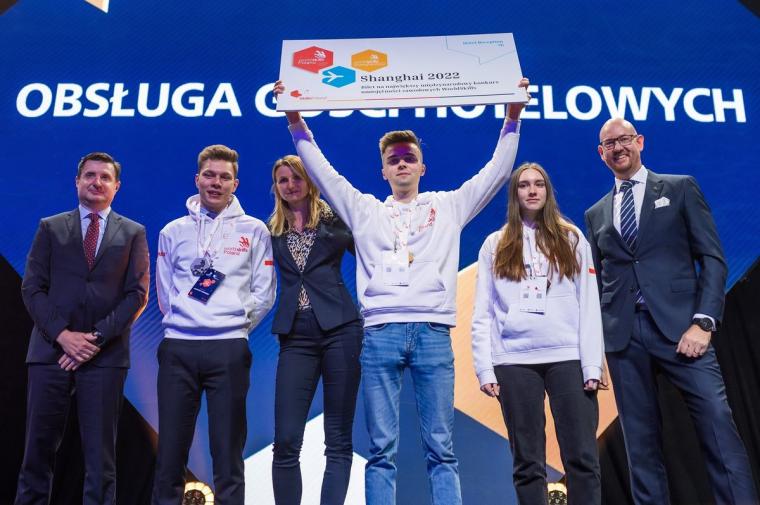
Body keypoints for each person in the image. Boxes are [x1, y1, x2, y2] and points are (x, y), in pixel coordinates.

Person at [274, 77, 529, 505]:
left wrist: (512, 118)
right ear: (384, 171)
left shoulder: (448, 206)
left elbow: (497, 172)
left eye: (410, 158)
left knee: (441, 449)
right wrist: (296, 120)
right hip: (380, 334)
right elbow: (321, 170)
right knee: (381, 451)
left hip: (433, 332)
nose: (402, 164)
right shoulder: (364, 210)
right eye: (394, 160)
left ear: (422, 167)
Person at [584, 118, 759, 505]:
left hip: (684, 330)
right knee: (640, 447)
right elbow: (598, 284)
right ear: (601, 153)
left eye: (625, 139)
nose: (618, 148)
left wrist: (704, 322)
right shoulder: (595, 214)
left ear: (640, 142)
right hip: (624, 340)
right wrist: (599, 346)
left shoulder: (680, 188)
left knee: (718, 426)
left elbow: (712, 259)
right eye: (609, 144)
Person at [16, 152, 150, 505]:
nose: (96, 182)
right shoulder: (50, 227)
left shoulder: (133, 232)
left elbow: (137, 295)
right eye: (90, 175)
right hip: (50, 354)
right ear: (77, 181)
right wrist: (63, 336)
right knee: (37, 453)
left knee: (100, 460)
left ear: (117, 186)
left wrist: (95, 340)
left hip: (105, 357)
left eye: (105, 177)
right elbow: (32, 288)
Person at [471, 162, 603, 505]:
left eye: (539, 184)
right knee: (527, 463)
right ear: (514, 194)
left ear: (548, 191)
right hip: (514, 361)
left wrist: (592, 364)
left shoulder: (572, 238)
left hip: (568, 358)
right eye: (524, 184)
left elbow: (589, 303)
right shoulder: (495, 244)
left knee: (582, 457)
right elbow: (483, 312)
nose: (532, 190)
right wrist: (485, 368)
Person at [152, 144, 276, 505]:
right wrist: (185, 320)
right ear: (197, 179)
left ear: (235, 184)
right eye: (209, 175)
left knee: (227, 450)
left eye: (224, 177)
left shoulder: (254, 230)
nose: (216, 182)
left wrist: (234, 325)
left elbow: (264, 292)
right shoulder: (173, 231)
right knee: (170, 451)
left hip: (228, 348)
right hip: (178, 348)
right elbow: (165, 291)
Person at [268, 155, 363, 505]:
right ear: (276, 187)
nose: (290, 185)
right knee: (286, 439)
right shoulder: (271, 230)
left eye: (297, 178)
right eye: (283, 180)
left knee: (337, 439)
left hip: (341, 331)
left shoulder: (336, 221)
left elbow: (373, 257)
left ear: (310, 181)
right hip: (295, 336)